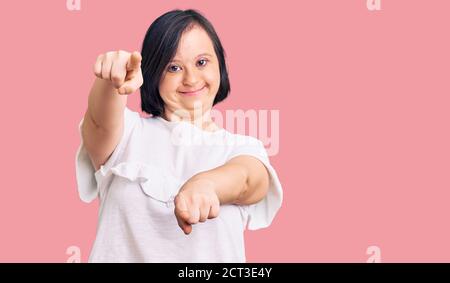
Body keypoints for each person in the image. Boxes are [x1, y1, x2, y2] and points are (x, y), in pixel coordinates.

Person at [75, 9, 283, 263]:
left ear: (220, 65)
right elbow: (98, 124)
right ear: (154, 73)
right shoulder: (127, 133)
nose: (191, 78)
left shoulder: (241, 147)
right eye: (173, 67)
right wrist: (111, 80)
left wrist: (206, 185)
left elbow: (249, 180)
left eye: (202, 62)